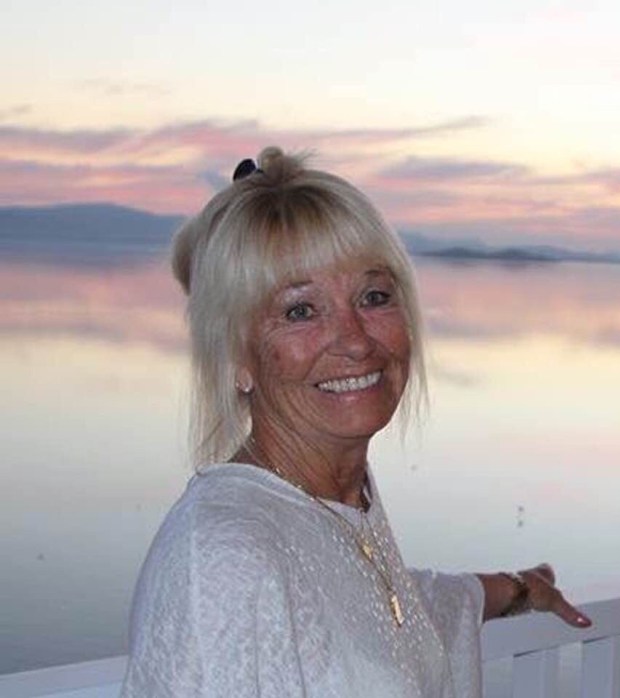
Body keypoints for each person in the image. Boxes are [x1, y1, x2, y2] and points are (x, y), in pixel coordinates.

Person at [121, 147, 591, 697]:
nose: (355, 340)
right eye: (300, 310)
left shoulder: (339, 502)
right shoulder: (223, 557)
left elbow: (376, 613)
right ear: (236, 358)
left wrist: (512, 590)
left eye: (373, 297)